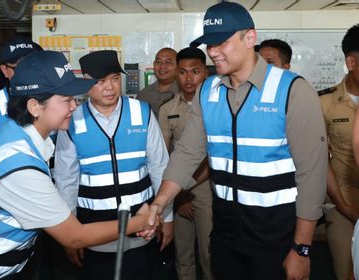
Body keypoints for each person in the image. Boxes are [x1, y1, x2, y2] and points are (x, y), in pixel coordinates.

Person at [0, 50, 157, 280]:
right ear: (34, 106)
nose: (74, 106)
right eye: (66, 100)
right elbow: (74, 236)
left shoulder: (11, 133)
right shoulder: (19, 166)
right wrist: (139, 222)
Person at [140, 2, 328, 280]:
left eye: (222, 43)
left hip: (277, 233)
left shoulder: (292, 90)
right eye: (209, 45)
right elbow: (187, 154)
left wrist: (301, 249)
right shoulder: (209, 91)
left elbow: (312, 175)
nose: (213, 52)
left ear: (249, 38)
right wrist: (159, 204)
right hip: (226, 231)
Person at [54, 50, 172, 280]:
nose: (109, 87)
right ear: (85, 82)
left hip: (142, 227)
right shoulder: (72, 120)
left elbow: (159, 167)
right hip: (94, 231)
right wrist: (69, 233)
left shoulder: (141, 112)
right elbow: (65, 179)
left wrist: (167, 218)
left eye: (114, 79)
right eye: (100, 81)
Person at [158, 47, 212, 280]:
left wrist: (184, 188)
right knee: (183, 253)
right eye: (183, 72)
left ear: (206, 74)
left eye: (195, 71)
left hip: (206, 186)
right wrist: (177, 196)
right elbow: (163, 155)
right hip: (176, 188)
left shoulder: (216, 106)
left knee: (210, 254)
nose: (189, 78)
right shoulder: (167, 108)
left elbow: (214, 155)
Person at [319, 23, 359, 280]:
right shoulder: (324, 102)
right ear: (351, 62)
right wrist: (345, 208)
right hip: (343, 201)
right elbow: (320, 162)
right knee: (347, 271)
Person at [0, 37, 42, 151]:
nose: (29, 73)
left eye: (33, 66)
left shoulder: (52, 97)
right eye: (20, 68)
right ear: (5, 70)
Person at [137, 47, 180, 117]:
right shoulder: (143, 95)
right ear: (154, 65)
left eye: (168, 62)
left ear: (178, 67)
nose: (162, 66)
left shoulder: (184, 94)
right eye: (158, 62)